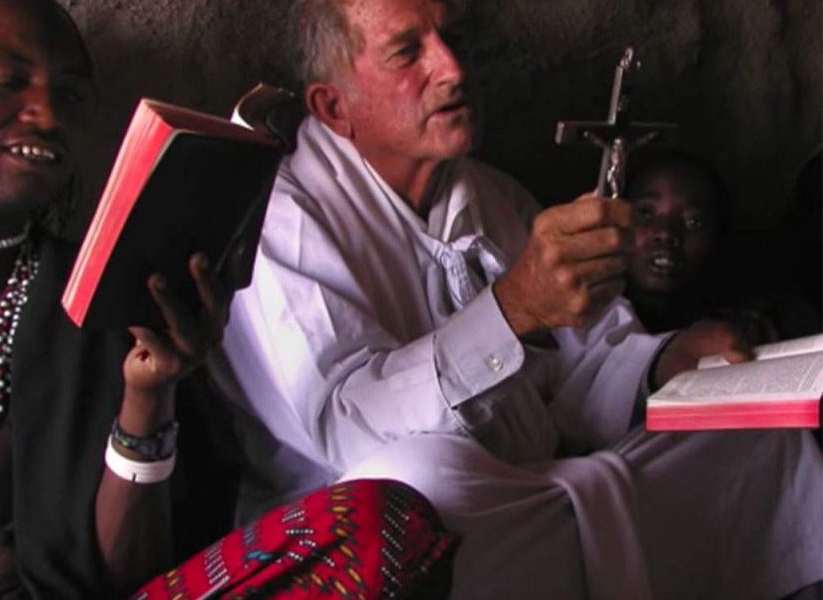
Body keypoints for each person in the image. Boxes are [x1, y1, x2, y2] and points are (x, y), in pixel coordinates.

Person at [0, 1, 457, 598]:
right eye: (6, 83)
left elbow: (130, 580)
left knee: (382, 526)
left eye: (69, 94)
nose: (47, 115)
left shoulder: (96, 290)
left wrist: (150, 394)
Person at [214, 0, 823, 598]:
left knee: (760, 430)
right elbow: (345, 431)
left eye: (452, 40)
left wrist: (665, 361)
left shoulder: (490, 193)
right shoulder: (281, 220)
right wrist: (512, 310)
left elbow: (583, 363)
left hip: (537, 491)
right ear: (333, 106)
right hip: (408, 523)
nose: (452, 68)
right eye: (408, 52)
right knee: (412, 485)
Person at [622, 150, 731, 333]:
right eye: (645, 213)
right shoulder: (577, 325)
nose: (665, 233)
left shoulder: (739, 332)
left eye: (693, 221)